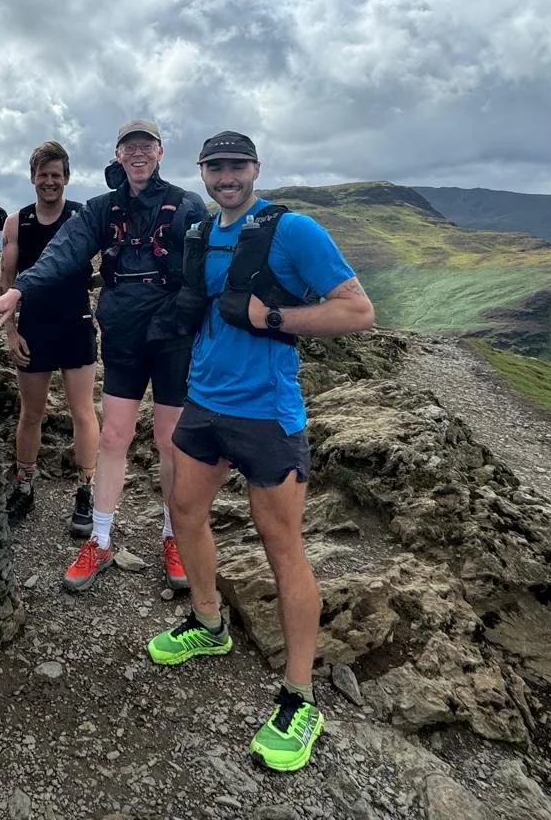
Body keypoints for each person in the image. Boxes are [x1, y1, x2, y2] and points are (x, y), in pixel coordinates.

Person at [144, 131, 374, 773]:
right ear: (203, 172)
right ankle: (210, 625)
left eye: (236, 166)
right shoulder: (200, 233)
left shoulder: (293, 230)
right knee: (184, 512)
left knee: (282, 546)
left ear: (255, 169)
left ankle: (300, 697)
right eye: (215, 167)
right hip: (204, 402)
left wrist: (272, 319)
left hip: (267, 413)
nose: (226, 176)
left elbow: (357, 312)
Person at [0, 119, 205, 592]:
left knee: (169, 441)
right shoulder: (102, 210)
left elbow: (206, 267)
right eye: (129, 147)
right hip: (122, 336)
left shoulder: (186, 205)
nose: (138, 153)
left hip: (173, 338)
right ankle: (100, 539)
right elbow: (63, 254)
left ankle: (175, 538)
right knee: (114, 437)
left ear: (160, 152)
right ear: (118, 155)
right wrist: (18, 292)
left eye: (146, 145)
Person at [0, 142, 99, 537]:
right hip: (34, 326)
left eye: (57, 175)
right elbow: (6, 279)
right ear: (33, 178)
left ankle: (86, 491)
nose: (50, 182)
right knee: (31, 413)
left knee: (82, 412)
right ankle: (24, 486)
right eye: (43, 175)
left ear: (67, 178)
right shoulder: (16, 222)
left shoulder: (82, 217)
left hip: (76, 322)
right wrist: (10, 331)